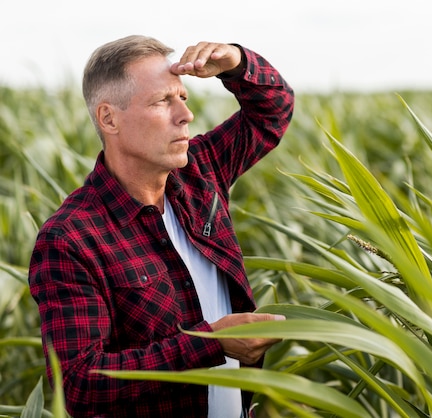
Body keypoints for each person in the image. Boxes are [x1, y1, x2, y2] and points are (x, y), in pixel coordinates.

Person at [28, 35, 295, 418]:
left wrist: (237, 62)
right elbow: (80, 385)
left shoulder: (200, 173)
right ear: (109, 118)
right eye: (162, 101)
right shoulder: (71, 239)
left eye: (182, 98)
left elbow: (273, 110)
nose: (185, 115)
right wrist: (212, 343)